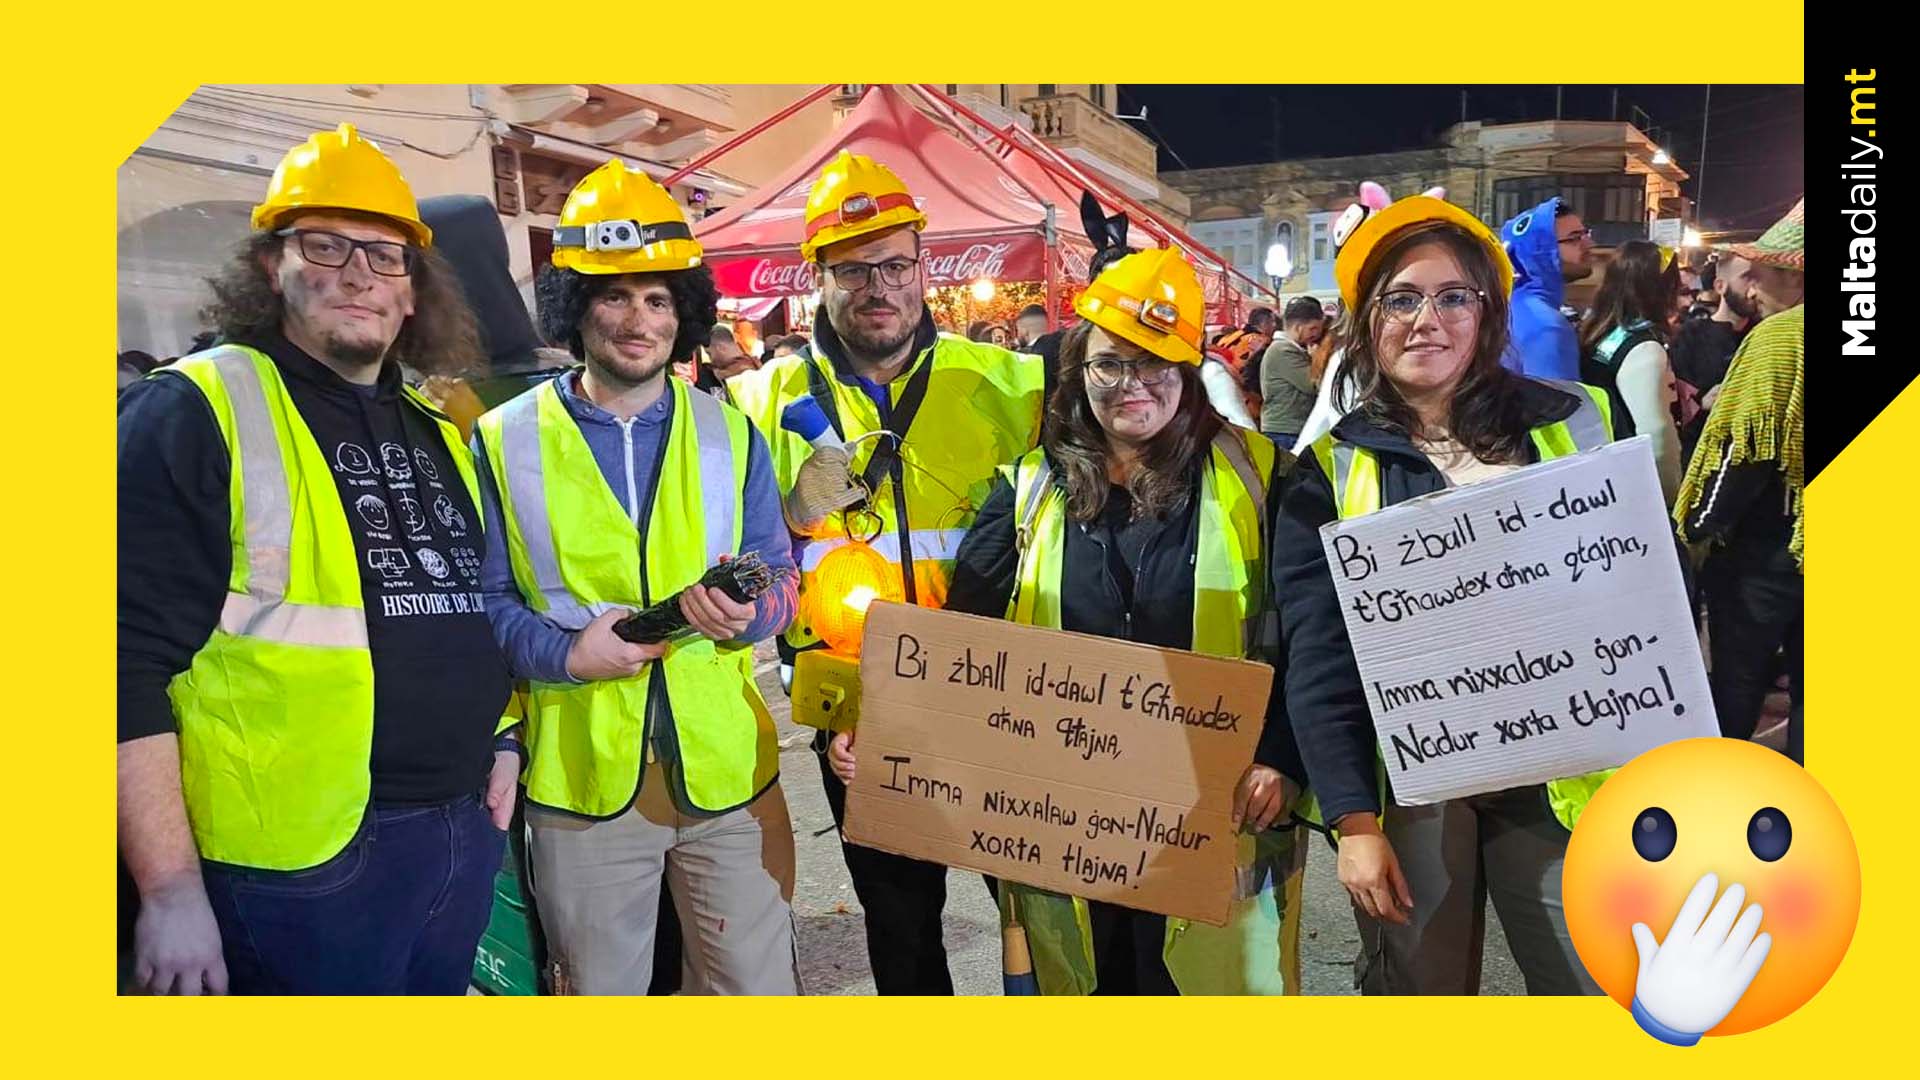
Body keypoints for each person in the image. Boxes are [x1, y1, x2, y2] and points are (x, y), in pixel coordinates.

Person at [832, 247, 1307, 994]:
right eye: (1110, 365)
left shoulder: (1264, 477)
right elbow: (967, 642)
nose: (1132, 386)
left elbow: (1305, 636)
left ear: (1190, 371)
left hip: (1216, 805)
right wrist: (891, 731)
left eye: (1157, 364)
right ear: (1078, 371)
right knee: (1089, 992)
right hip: (1068, 823)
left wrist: (1283, 754)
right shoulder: (1028, 488)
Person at [117, 124, 515, 995]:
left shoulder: (437, 424)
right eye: (326, 244)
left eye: (386, 254)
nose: (360, 273)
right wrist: (171, 888)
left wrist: (505, 737)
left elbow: (465, 602)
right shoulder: (191, 411)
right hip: (297, 863)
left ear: (414, 293)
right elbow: (115, 661)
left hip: (457, 828)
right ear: (273, 267)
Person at [1271, 190, 1614, 996]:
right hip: (1417, 784)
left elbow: (1641, 590)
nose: (1428, 319)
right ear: (1366, 322)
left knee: (1594, 983)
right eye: (1401, 298)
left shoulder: (1578, 422)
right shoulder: (1325, 470)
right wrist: (1354, 822)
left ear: (1487, 312)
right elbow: (1317, 660)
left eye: (1453, 296)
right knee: (1421, 998)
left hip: (1564, 770)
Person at [471, 160, 800, 995]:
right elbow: (484, 605)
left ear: (682, 312)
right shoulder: (500, 440)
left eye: (657, 298)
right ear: (576, 307)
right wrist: (566, 656)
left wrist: (751, 615)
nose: (636, 318)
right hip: (581, 780)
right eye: (613, 295)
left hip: (726, 777)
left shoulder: (732, 434)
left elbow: (782, 578)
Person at [725, 150, 1044, 994]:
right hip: (857, 715)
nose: (880, 286)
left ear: (924, 266)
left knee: (1033, 922)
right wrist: (790, 516)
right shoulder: (760, 402)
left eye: (897, 263)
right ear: (816, 276)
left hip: (993, 699)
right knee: (901, 933)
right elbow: (726, 563)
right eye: (855, 268)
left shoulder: (1014, 384)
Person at [1675, 199, 1804, 763]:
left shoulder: (1782, 338)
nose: (1753, 288)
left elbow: (1744, 448)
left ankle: (1722, 806)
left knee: (1736, 684)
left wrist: (1698, 525)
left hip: (1766, 549)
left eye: (1764, 273)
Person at [1576, 240, 1684, 501]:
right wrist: (1671, 498)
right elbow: (1656, 435)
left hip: (1605, 471)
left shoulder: (1601, 331)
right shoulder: (1644, 348)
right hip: (1633, 485)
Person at [1500, 196, 1593, 381]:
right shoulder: (1548, 328)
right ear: (1539, 252)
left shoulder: (1510, 306)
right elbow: (1560, 408)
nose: (1589, 244)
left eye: (1585, 234)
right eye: (1574, 238)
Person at [1257, 296, 1328, 443]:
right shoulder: (1283, 351)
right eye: (1313, 328)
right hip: (1285, 430)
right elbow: (1313, 384)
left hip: (1289, 429)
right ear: (1297, 327)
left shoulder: (1291, 349)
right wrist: (1318, 357)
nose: (1316, 334)